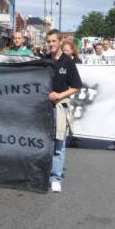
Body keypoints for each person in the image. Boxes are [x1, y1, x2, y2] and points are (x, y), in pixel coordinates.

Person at [44, 29, 82, 193]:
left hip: (60, 108)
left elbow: (76, 87)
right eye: (49, 41)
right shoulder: (43, 60)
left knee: (59, 144)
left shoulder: (68, 62)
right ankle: (43, 174)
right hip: (43, 108)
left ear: (60, 42)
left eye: (53, 41)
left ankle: (56, 178)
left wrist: (59, 95)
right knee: (45, 143)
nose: (51, 44)